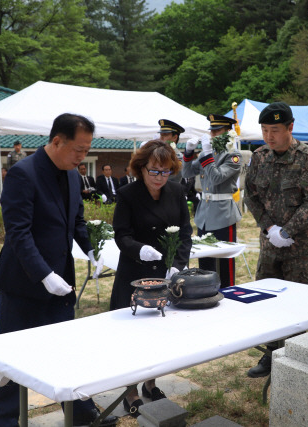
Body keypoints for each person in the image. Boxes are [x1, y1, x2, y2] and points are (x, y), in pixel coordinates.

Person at [0, 113, 116, 427]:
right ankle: (6, 419)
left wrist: (92, 251)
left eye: (87, 150)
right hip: (23, 281)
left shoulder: (73, 174)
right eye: (79, 150)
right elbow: (18, 232)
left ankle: (81, 415)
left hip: (61, 279)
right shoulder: (23, 174)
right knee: (12, 355)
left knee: (66, 350)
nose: (83, 157)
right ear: (57, 141)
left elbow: (76, 221)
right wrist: (44, 274)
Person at [109, 140, 192, 418]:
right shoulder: (128, 194)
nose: (159, 177)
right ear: (141, 168)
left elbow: (185, 233)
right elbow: (121, 235)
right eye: (154, 171)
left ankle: (151, 383)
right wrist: (139, 250)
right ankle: (130, 390)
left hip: (164, 276)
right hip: (134, 274)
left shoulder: (177, 191)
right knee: (131, 335)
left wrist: (177, 264)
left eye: (166, 172)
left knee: (159, 333)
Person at [244, 102, 308, 378]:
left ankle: (297, 359)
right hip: (270, 246)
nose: (269, 136)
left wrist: (287, 232)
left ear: (290, 127)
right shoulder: (259, 156)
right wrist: (270, 230)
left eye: (275, 130)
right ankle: (271, 355)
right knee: (267, 300)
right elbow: (250, 196)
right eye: (265, 130)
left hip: (299, 246)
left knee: (299, 303)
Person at [182, 114, 242, 288]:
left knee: (225, 260)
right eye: (212, 130)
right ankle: (206, 290)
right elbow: (186, 173)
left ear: (228, 132)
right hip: (205, 213)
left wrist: (206, 155)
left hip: (224, 213)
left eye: (217, 130)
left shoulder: (233, 156)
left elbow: (217, 178)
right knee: (205, 258)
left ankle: (228, 291)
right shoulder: (208, 152)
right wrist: (188, 153)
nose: (213, 134)